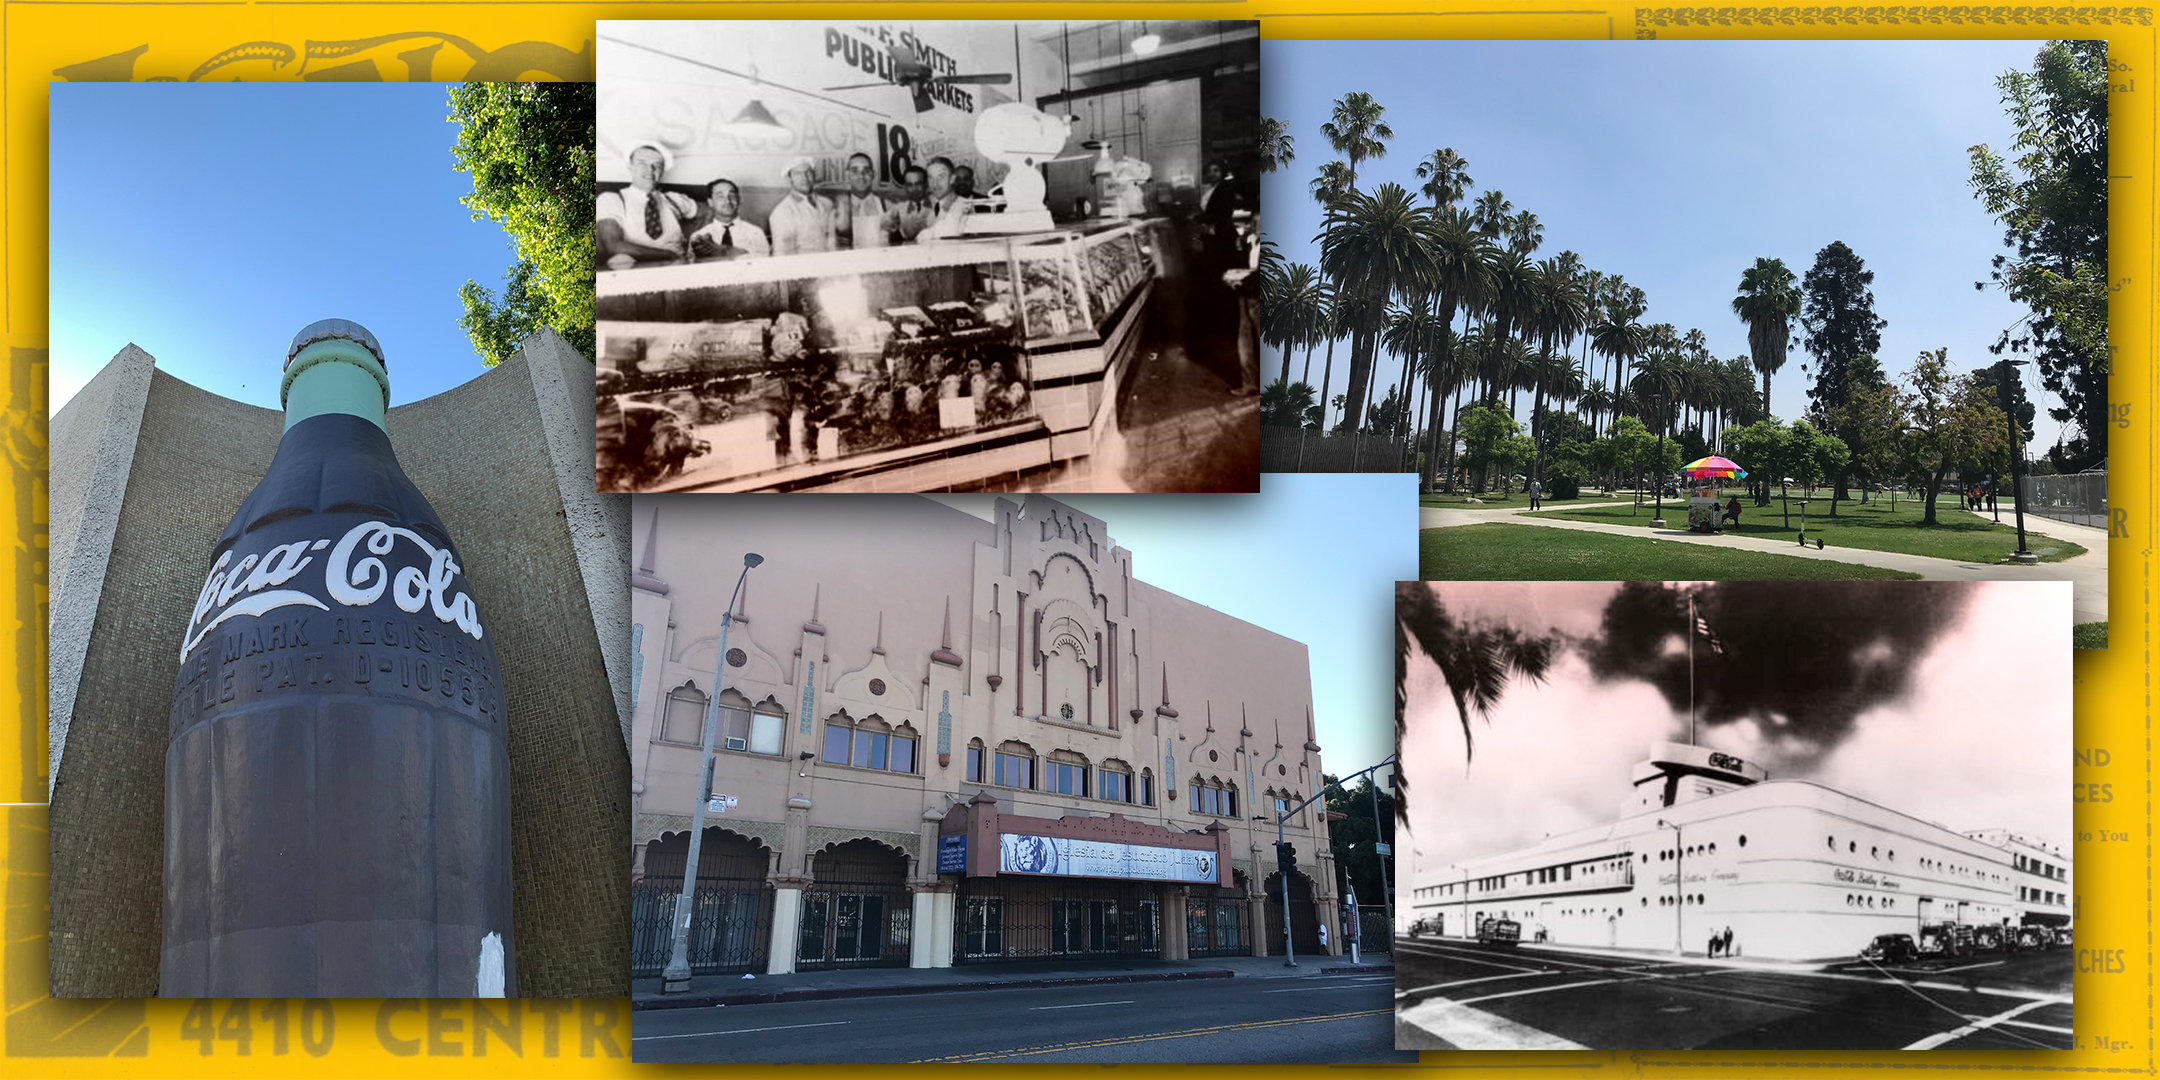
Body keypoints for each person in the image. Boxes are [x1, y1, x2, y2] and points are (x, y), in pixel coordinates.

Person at [596, 143, 698, 269]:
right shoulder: (612, 199)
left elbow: (711, 212)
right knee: (620, 260)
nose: (650, 170)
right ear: (630, 166)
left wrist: (698, 240)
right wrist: (667, 255)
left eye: (657, 165)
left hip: (677, 267)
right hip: (637, 269)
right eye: (642, 163)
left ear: (662, 171)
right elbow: (613, 245)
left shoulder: (673, 199)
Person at [1222, 209, 1262, 396]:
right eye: (1253, 223)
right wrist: (1233, 279)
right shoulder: (1250, 241)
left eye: (1257, 224)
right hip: (1245, 296)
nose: (1253, 227)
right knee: (1244, 342)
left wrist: (1241, 281)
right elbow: (1246, 268)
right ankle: (1249, 383)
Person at [686, 179, 770, 261]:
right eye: (720, 197)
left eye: (732, 195)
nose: (727, 201)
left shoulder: (755, 233)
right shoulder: (699, 236)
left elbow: (765, 265)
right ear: (710, 202)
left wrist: (731, 251)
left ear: (739, 199)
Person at [768, 156, 836, 256]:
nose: (804, 177)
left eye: (808, 172)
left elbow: (833, 241)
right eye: (797, 173)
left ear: (814, 175)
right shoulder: (782, 212)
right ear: (789, 179)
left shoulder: (827, 203)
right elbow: (782, 254)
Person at [833, 152, 889, 250]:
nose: (861, 176)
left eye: (866, 171)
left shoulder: (887, 206)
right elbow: (831, 247)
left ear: (873, 174)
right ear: (847, 175)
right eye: (855, 171)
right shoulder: (837, 209)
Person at [917, 156, 971, 241]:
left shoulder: (964, 205)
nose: (935, 183)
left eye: (941, 177)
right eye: (931, 177)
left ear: (952, 179)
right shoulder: (928, 205)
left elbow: (946, 232)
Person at [886, 165, 936, 243]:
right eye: (910, 185)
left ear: (926, 185)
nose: (914, 189)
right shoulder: (897, 211)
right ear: (905, 187)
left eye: (918, 184)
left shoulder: (938, 205)